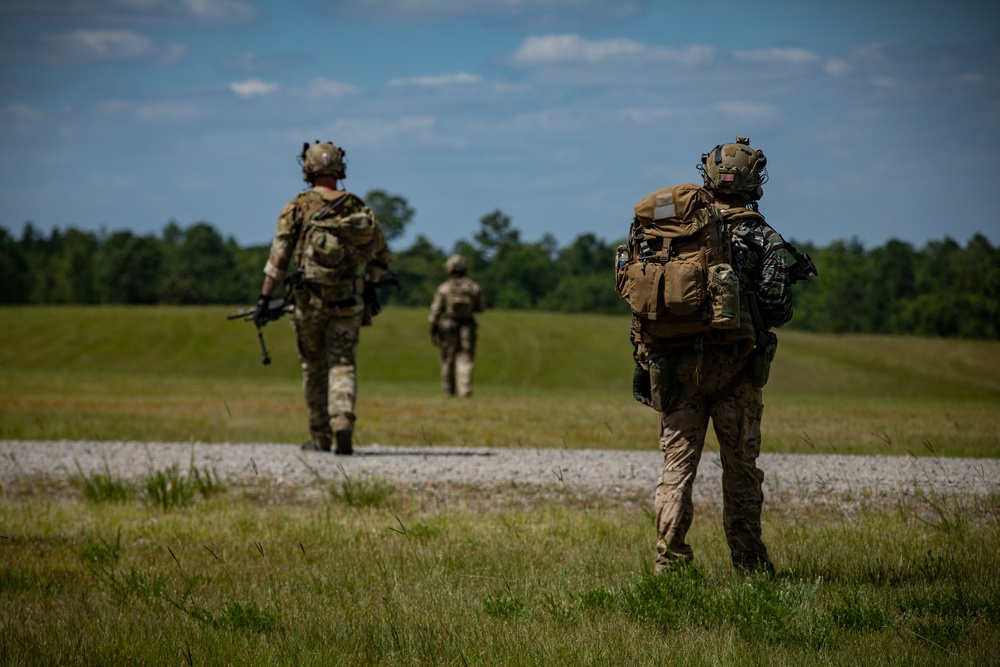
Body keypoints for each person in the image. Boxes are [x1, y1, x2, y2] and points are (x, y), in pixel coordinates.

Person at [631, 137, 794, 575]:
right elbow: (778, 307)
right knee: (740, 470)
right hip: (735, 370)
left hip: (674, 368)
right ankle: (750, 566)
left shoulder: (670, 227)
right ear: (754, 180)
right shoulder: (762, 236)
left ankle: (669, 564)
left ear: (708, 175)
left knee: (676, 467)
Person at [257, 141, 391, 455]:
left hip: (308, 301)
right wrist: (370, 285)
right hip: (347, 299)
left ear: (308, 168)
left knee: (313, 366)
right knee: (342, 363)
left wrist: (264, 299)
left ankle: (320, 436)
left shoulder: (296, 207)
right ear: (340, 168)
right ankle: (342, 420)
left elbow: (278, 261)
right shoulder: (356, 206)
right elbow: (381, 256)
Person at [428, 255, 485, 397]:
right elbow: (481, 308)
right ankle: (465, 389)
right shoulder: (473, 287)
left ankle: (448, 391)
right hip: (468, 326)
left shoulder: (444, 288)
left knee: (447, 360)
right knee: (465, 358)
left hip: (448, 326)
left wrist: (433, 326)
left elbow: (435, 310)